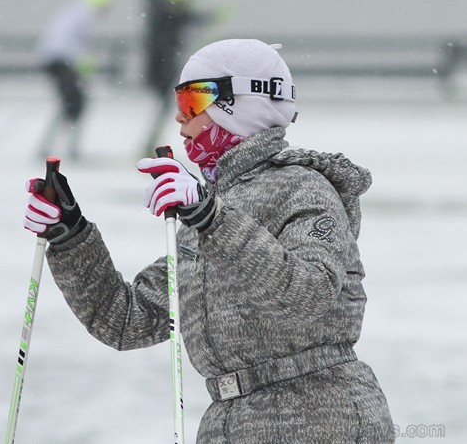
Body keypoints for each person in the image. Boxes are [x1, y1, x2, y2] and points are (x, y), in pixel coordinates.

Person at [23, 39, 395, 443]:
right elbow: (125, 320)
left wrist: (210, 217)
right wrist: (70, 234)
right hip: (230, 423)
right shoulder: (214, 210)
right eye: (179, 103)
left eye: (192, 103)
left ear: (239, 105)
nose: (181, 121)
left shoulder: (302, 189)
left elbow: (307, 294)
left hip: (319, 418)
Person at [143, 0, 222, 156]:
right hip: (164, 67)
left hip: (163, 66)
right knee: (167, 106)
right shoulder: (168, 13)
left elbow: (185, 18)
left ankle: (150, 144)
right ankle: (149, 144)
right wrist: (209, 16)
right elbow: (185, 19)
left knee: (166, 107)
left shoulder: (164, 11)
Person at [36, 0, 112, 160]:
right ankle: (65, 147)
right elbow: (70, 43)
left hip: (56, 60)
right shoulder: (84, 16)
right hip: (61, 61)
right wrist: (82, 62)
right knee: (74, 103)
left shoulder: (76, 11)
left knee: (71, 103)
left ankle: (53, 145)